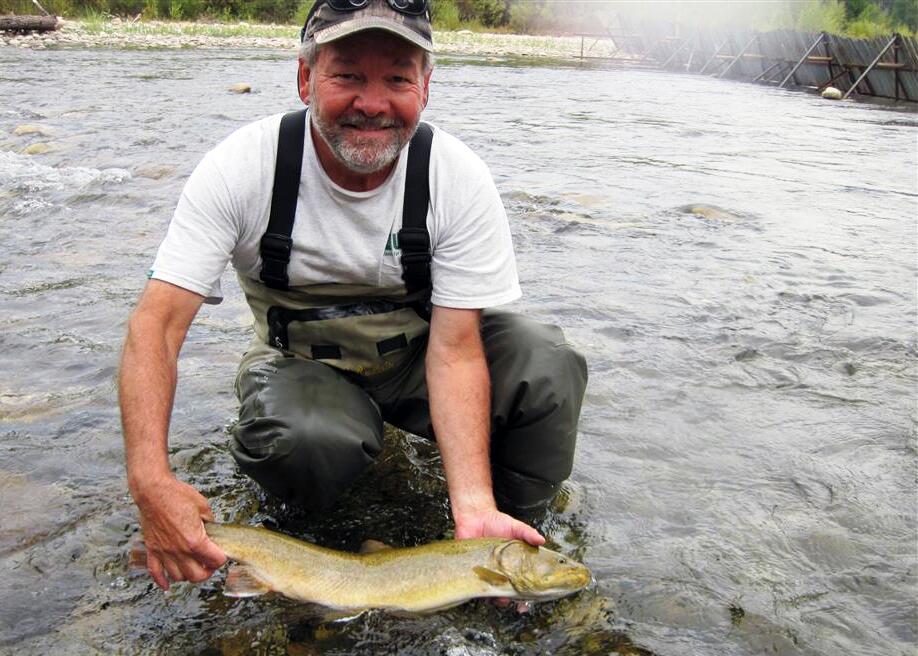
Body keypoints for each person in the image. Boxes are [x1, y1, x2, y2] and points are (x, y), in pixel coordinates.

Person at [120, 0, 588, 592]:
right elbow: (156, 327)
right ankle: (300, 547)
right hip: (302, 368)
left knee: (545, 363)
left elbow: (456, 351)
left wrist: (472, 505)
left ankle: (517, 535)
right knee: (305, 442)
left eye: (397, 78)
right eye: (347, 75)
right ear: (305, 78)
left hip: (419, 360)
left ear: (425, 88)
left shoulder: (457, 178)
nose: (372, 102)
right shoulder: (241, 169)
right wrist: (151, 483)